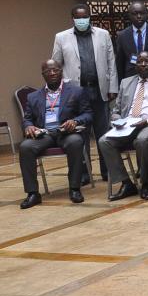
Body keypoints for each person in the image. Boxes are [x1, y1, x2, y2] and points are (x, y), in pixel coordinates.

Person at [52, 3, 117, 183]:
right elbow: (56, 66)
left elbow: (111, 62)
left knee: (104, 133)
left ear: (90, 16)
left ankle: (107, 171)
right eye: (78, 17)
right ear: (72, 18)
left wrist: (113, 87)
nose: (82, 20)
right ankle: (83, 174)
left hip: (99, 91)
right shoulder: (61, 37)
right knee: (80, 135)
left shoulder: (103, 34)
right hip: (76, 94)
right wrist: (63, 91)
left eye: (85, 16)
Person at [18, 60, 92, 209]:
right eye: (47, 71)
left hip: (66, 132)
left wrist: (75, 121)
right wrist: (29, 126)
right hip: (44, 134)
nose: (52, 73)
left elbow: (88, 114)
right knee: (25, 147)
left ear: (61, 71)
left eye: (55, 70)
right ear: (43, 75)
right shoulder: (33, 97)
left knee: (76, 142)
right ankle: (33, 193)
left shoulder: (76, 91)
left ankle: (75, 188)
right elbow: (27, 119)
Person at [100, 51, 148, 201]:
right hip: (127, 125)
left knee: (143, 140)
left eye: (147, 61)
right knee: (104, 141)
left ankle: (145, 183)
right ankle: (126, 183)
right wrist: (117, 120)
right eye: (140, 61)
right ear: (136, 65)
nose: (143, 64)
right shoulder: (125, 82)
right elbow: (116, 110)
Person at [115, 1, 148, 82]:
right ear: (129, 15)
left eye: (142, 13)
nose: (139, 16)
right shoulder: (122, 35)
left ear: (147, 14)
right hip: (130, 79)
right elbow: (120, 63)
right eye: (135, 13)